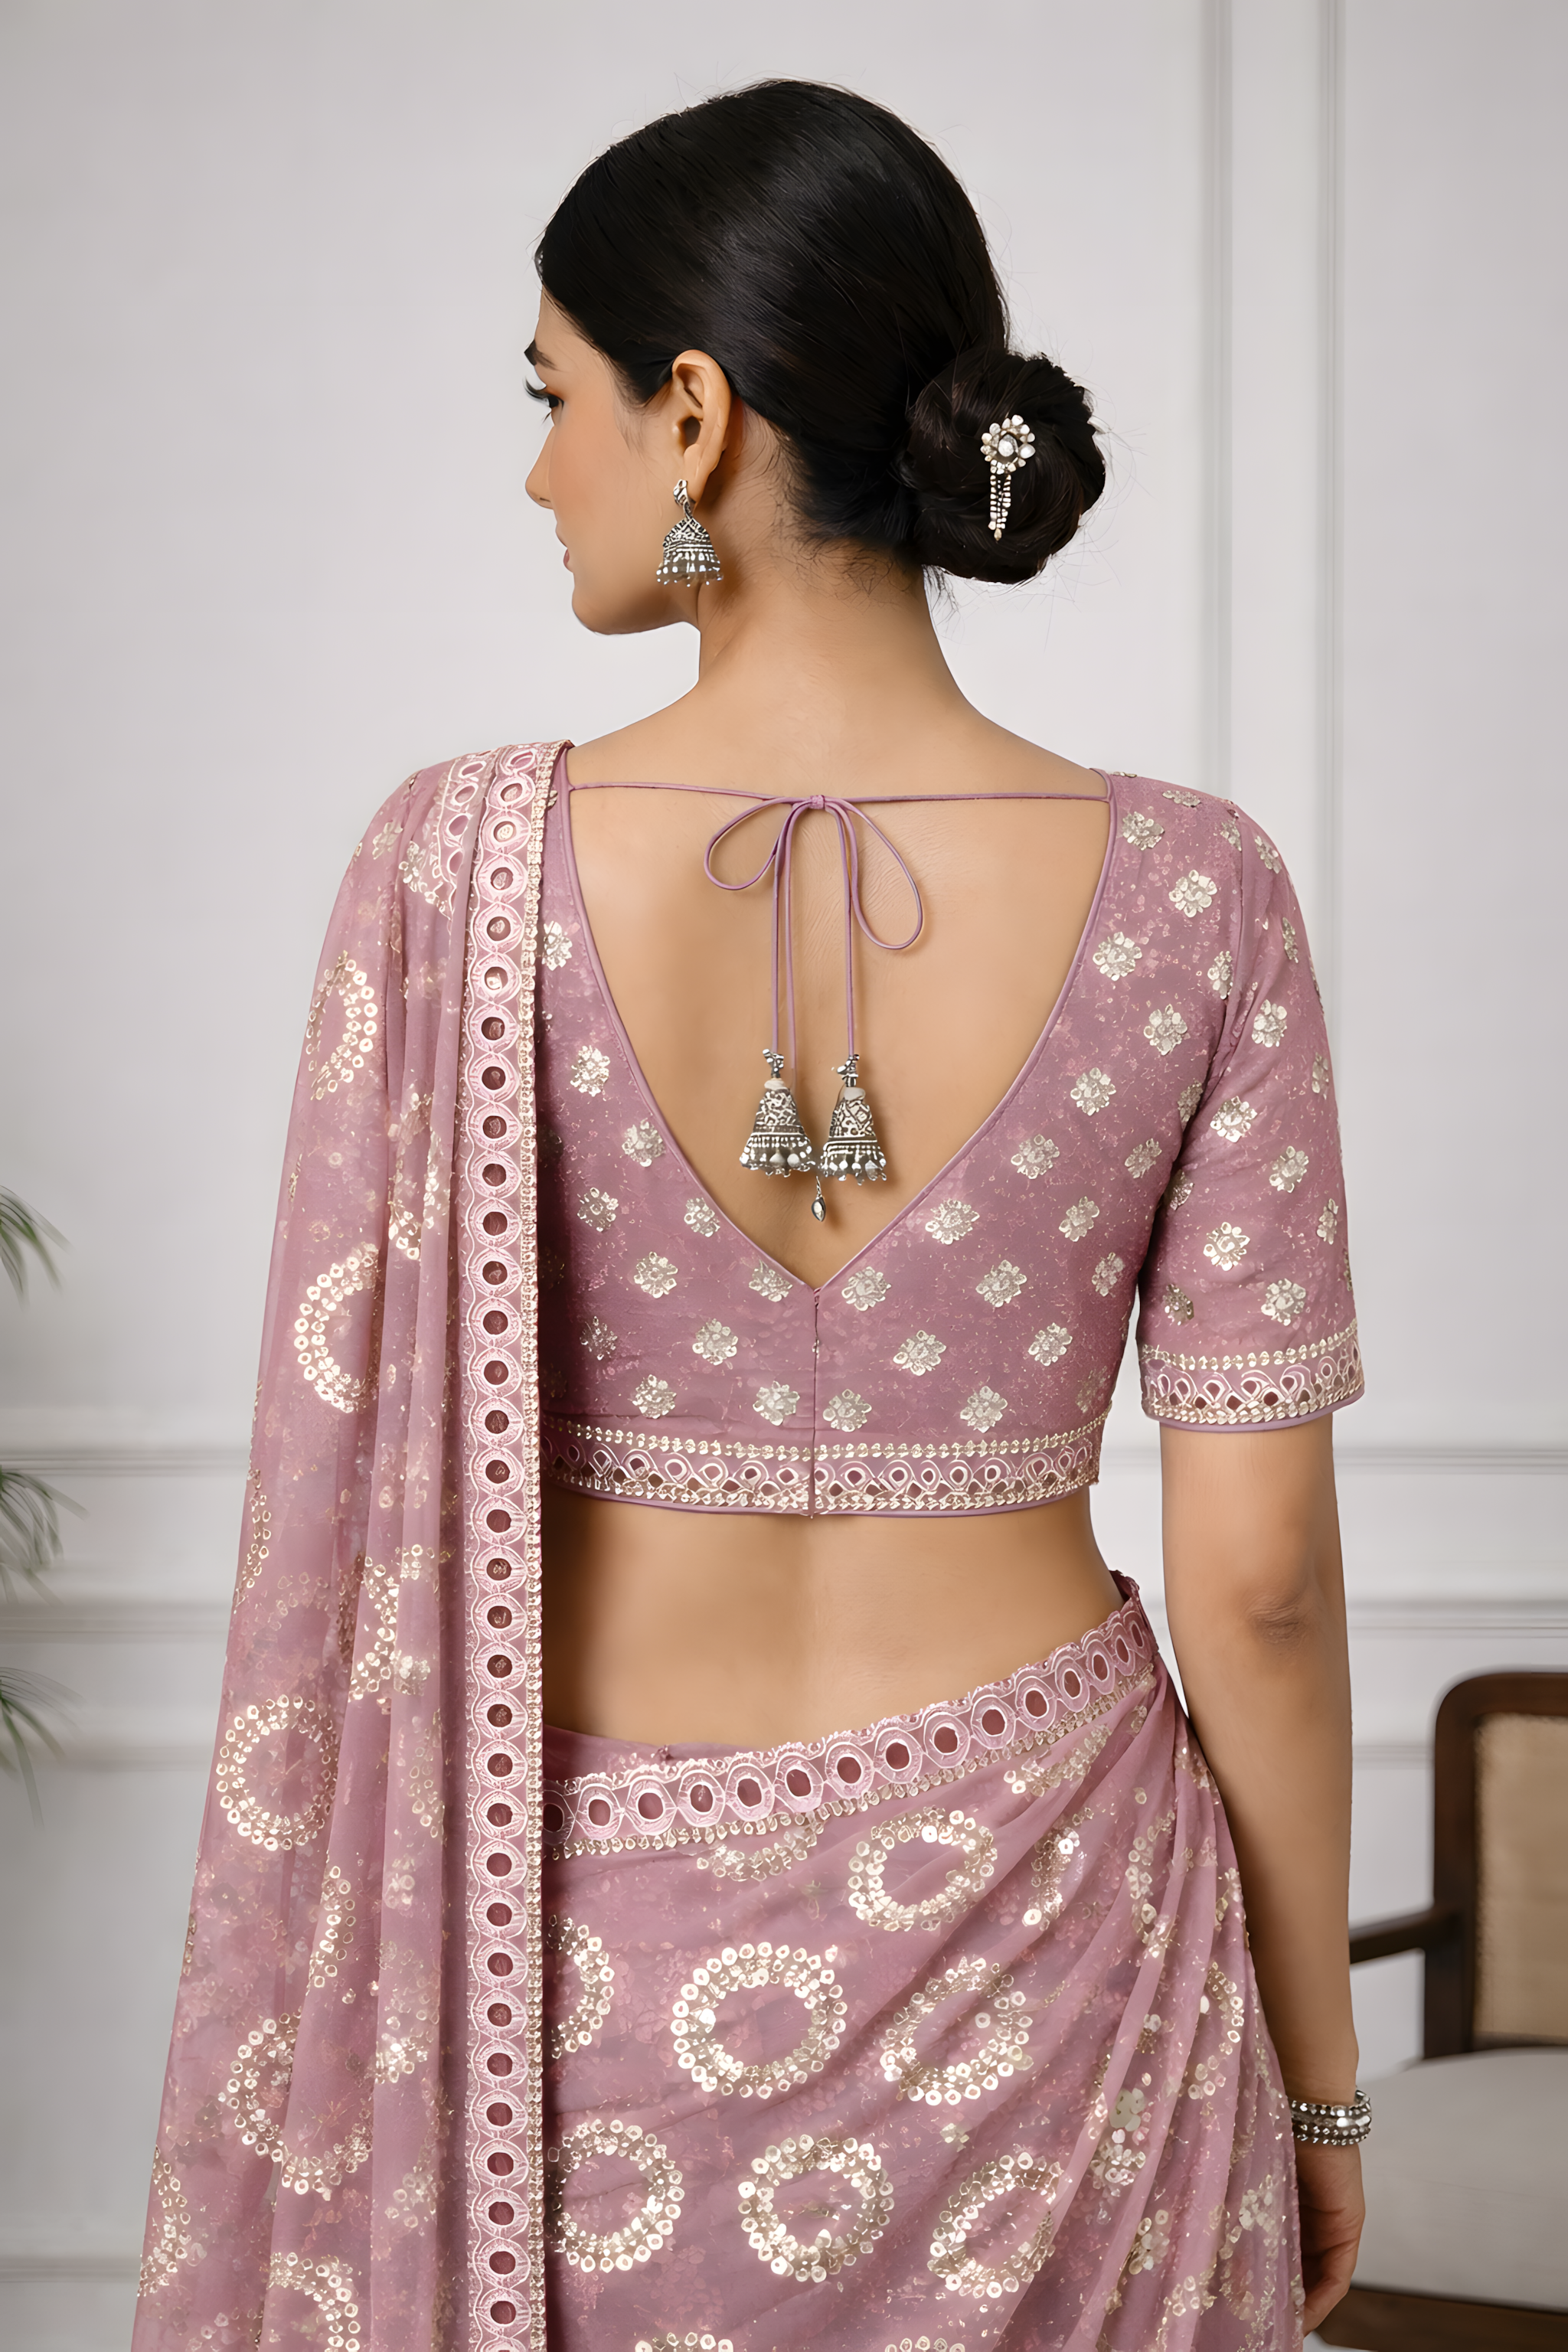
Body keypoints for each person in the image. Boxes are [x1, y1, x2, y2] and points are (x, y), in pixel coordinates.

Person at [133, 80, 1367, 2352]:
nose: (536, 471)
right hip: (1072, 1968)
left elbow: (337, 1529)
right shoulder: (1204, 895)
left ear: (689, 416)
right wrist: (1318, 2098)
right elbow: (1266, 1586)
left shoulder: (450, 872)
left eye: (554, 398)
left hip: (581, 1992)